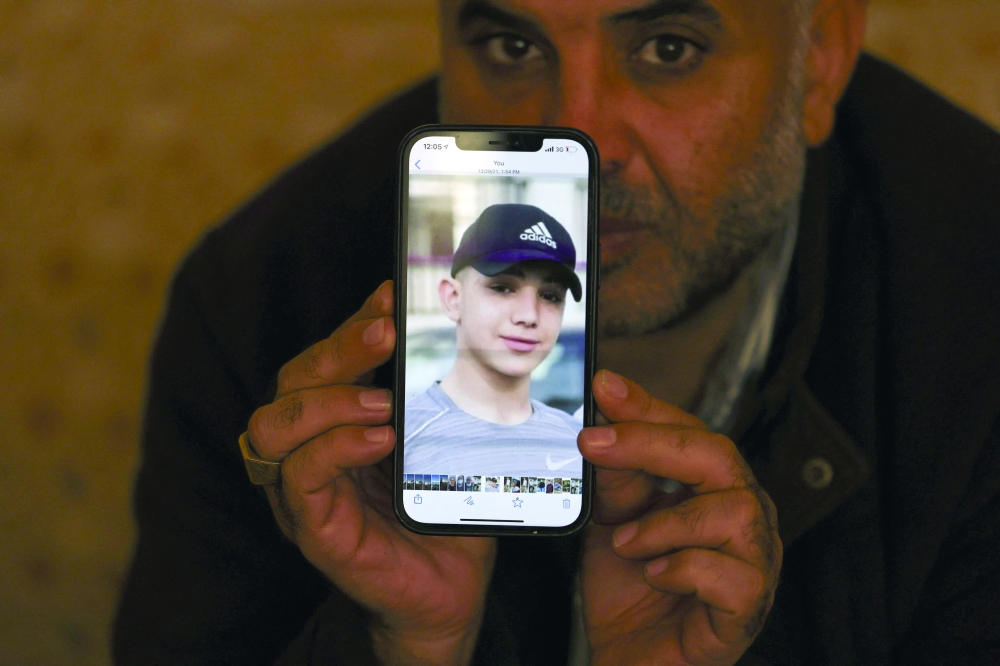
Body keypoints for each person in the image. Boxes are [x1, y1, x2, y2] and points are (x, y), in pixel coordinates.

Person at [113, 0, 1000, 665]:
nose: (577, 133)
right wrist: (403, 649)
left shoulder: (976, 317)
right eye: (511, 46)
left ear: (821, 58)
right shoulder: (262, 298)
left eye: (668, 48)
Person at [404, 203, 584, 480]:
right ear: (453, 299)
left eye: (550, 296)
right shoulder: (399, 438)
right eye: (503, 288)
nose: (528, 315)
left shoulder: (579, 444)